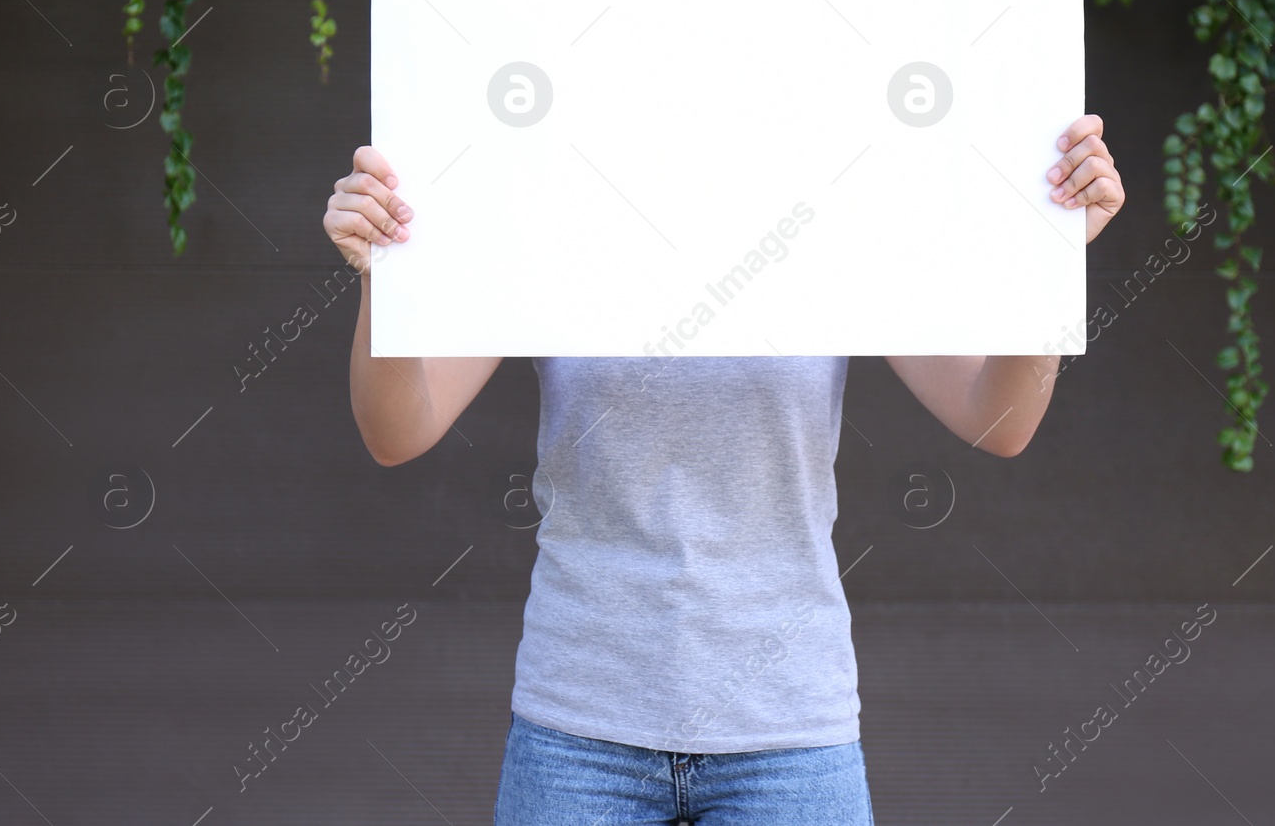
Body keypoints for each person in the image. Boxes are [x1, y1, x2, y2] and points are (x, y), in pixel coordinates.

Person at [322, 115, 1125, 824]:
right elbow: (400, 429)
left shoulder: (839, 205)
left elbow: (1002, 420)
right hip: (580, 727)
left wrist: (1046, 263)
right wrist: (381, 276)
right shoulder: (553, 199)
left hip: (788, 732)